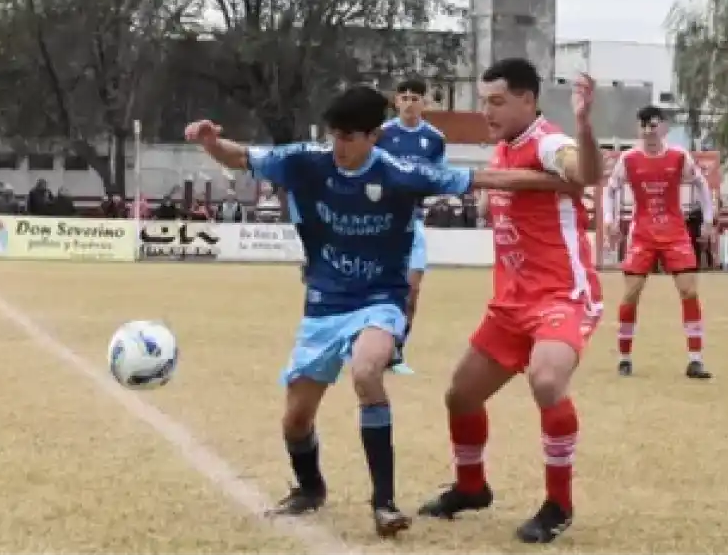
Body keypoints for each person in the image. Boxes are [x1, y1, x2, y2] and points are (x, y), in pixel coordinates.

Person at [184, 84, 578, 538]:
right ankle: (310, 488)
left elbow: (486, 180)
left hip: (379, 299)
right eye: (336, 136)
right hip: (324, 303)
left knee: (367, 371)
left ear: (375, 137)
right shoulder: (306, 160)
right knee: (296, 418)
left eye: (350, 138)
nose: (340, 147)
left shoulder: (401, 171)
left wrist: (560, 180)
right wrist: (212, 142)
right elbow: (243, 158)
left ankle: (384, 503)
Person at [417, 58, 603, 544]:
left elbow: (583, 171)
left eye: (497, 102)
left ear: (528, 99)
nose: (487, 111)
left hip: (562, 295)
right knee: (461, 395)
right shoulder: (502, 150)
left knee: (546, 379)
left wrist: (583, 127)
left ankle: (558, 504)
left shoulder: (547, 140)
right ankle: (471, 486)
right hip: (511, 303)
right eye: (483, 102)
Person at [602, 105, 714, 379]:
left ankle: (695, 360)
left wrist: (708, 218)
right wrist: (610, 219)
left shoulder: (678, 156)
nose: (649, 131)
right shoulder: (628, 159)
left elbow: (700, 183)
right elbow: (611, 189)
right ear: (637, 129)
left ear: (663, 127)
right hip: (642, 234)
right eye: (644, 126)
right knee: (631, 293)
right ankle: (625, 358)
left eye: (653, 126)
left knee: (689, 292)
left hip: (675, 232)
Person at [377, 78, 445, 366]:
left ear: (424, 103)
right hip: (380, 222)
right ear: (396, 101)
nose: (409, 102)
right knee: (374, 288)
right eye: (403, 97)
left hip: (412, 222)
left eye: (415, 97)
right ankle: (365, 345)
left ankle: (397, 351)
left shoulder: (434, 139)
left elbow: (439, 177)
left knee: (412, 289)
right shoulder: (381, 134)